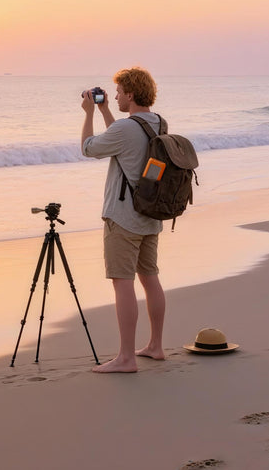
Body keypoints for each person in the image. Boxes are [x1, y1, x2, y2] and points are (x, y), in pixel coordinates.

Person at [80, 67, 166, 373]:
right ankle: (155, 346)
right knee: (150, 277)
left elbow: (89, 149)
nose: (114, 96)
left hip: (124, 218)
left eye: (117, 92)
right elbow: (126, 142)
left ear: (130, 94)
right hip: (151, 215)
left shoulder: (126, 129)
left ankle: (126, 357)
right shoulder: (157, 123)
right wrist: (105, 112)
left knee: (122, 282)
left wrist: (89, 113)